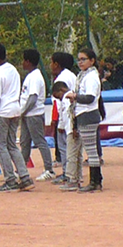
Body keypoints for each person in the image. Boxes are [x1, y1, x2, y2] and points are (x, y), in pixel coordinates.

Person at [0, 43, 34, 193]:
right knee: (12, 145)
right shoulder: (12, 69)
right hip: (15, 110)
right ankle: (25, 177)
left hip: (3, 112)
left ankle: (10, 180)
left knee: (0, 146)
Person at [64, 48, 103, 193]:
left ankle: (95, 181)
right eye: (78, 59)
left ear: (92, 61)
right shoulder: (82, 75)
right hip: (82, 114)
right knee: (90, 149)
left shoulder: (91, 77)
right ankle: (96, 180)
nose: (80, 62)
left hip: (88, 114)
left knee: (91, 151)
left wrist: (74, 96)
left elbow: (90, 97)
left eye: (83, 59)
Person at [19, 49, 55, 182]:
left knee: (40, 141)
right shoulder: (30, 76)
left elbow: (33, 98)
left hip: (33, 114)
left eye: (24, 60)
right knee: (25, 142)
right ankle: (22, 169)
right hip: (27, 115)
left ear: (28, 61)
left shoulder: (35, 77)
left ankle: (49, 169)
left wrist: (22, 112)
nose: (22, 63)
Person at [49, 52, 76, 184]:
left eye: (51, 62)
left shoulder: (62, 78)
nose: (50, 65)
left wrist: (58, 122)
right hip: (70, 118)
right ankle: (71, 172)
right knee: (70, 147)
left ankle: (67, 173)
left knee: (65, 147)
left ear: (57, 64)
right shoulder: (71, 75)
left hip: (65, 118)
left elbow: (60, 102)